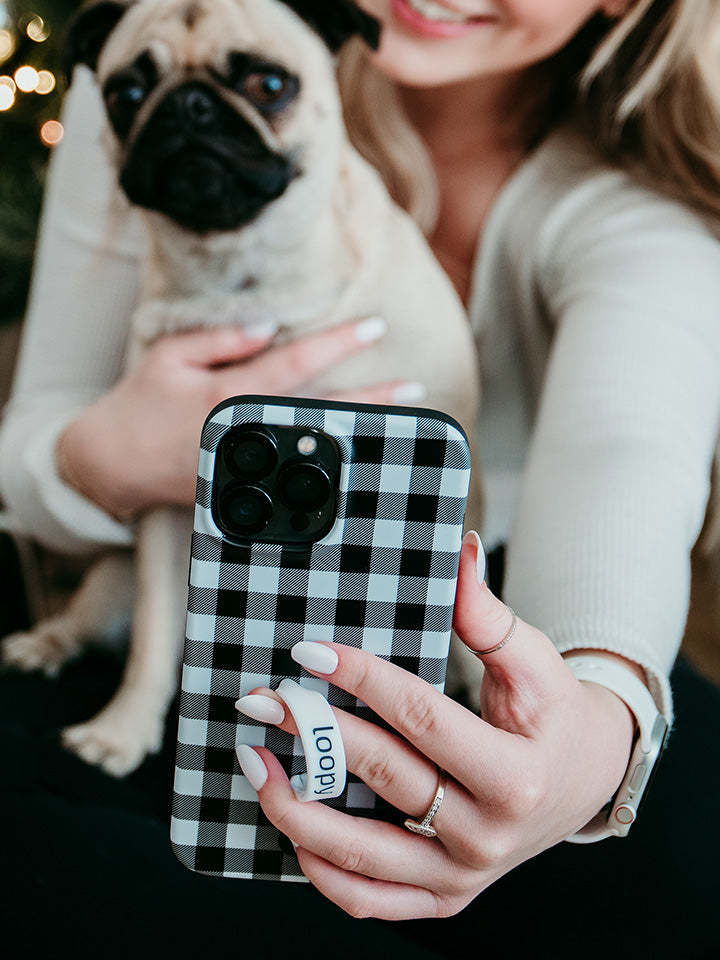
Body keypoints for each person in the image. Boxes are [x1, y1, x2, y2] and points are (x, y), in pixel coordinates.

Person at [1, 0, 720, 957]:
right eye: (142, 97)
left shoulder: (634, 203)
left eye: (260, 87)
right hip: (174, 578)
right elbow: (31, 442)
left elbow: (623, 453)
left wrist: (593, 723)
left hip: (468, 592)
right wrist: (107, 454)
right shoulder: (172, 37)